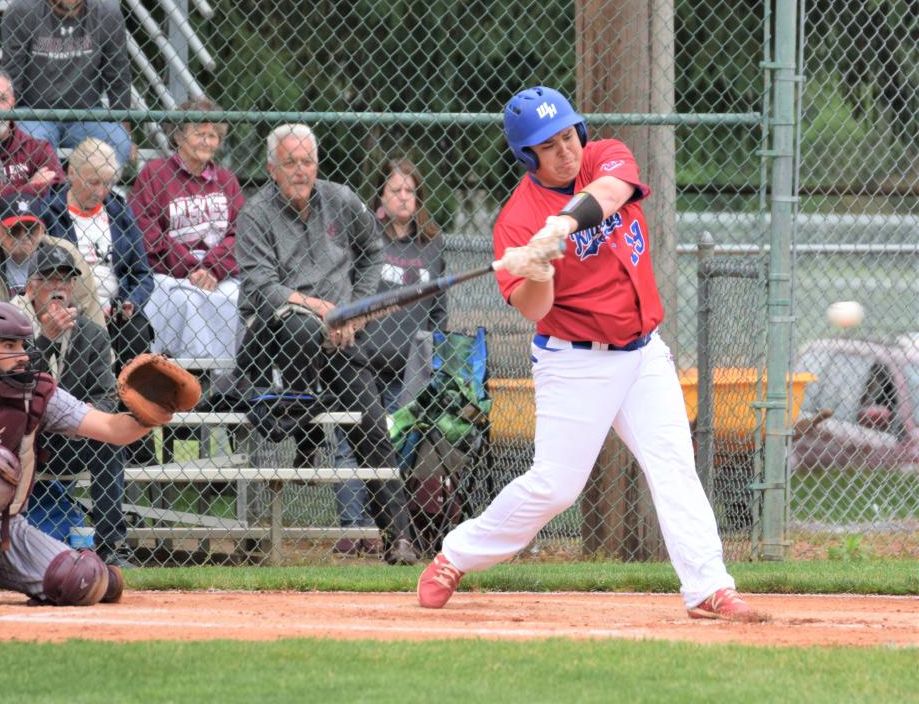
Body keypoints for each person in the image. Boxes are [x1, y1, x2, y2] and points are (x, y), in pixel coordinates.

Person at [417, 86, 761, 622]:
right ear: (526, 156)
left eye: (567, 135)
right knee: (555, 487)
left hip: (644, 354)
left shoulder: (602, 156)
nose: (565, 150)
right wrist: (539, 269)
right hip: (575, 361)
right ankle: (455, 555)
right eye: (547, 146)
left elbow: (613, 189)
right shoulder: (516, 221)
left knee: (673, 465)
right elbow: (534, 309)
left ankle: (709, 587)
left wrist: (564, 223)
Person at [234, 123, 418, 565]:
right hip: (279, 335)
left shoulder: (339, 198)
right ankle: (307, 426)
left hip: (341, 335)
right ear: (271, 168)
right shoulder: (256, 213)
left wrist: (352, 308)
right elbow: (262, 287)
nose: (301, 171)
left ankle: (400, 537)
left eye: (307, 161)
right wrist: (321, 309)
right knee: (299, 328)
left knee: (373, 422)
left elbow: (374, 249)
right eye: (290, 162)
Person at [0, 300, 159, 605]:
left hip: (0, 534)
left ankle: (102, 577)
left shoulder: (34, 395)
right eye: (8, 345)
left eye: (22, 345)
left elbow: (112, 429)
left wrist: (155, 410)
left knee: (78, 581)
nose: (23, 356)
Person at [331, 157, 447, 556]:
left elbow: (439, 306)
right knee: (352, 445)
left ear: (419, 197)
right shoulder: (366, 238)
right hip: (362, 358)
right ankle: (353, 530)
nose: (403, 197)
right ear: (380, 195)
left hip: (408, 364)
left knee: (398, 444)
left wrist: (434, 345)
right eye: (395, 189)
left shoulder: (432, 243)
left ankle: (391, 531)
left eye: (410, 191)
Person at [11, 245, 134, 567]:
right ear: (31, 287)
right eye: (50, 279)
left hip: (73, 437)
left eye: (66, 280)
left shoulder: (91, 333)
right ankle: (6, 541)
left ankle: (112, 546)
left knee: (108, 442)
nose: (60, 288)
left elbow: (108, 395)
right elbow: (14, 384)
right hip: (26, 434)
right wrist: (46, 341)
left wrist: (83, 418)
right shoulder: (14, 327)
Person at [129, 98, 243, 363]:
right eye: (199, 133)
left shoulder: (226, 180)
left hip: (218, 272)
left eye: (213, 135)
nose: (206, 141)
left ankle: (227, 382)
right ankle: (188, 375)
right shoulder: (154, 174)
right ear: (179, 136)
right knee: (185, 301)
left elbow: (241, 233)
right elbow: (147, 232)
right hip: (170, 271)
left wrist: (213, 268)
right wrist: (191, 267)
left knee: (236, 299)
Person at [33, 138, 154, 372]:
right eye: (93, 182)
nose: (101, 191)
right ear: (71, 174)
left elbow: (142, 273)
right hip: (72, 308)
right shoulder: (50, 213)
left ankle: (127, 402)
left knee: (137, 328)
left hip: (116, 312)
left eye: (108, 183)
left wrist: (130, 302)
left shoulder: (120, 212)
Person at [0, 0, 134, 167]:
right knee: (28, 146)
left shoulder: (105, 13)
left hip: (87, 113)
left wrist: (124, 129)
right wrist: (5, 123)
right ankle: (48, 193)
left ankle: (82, 194)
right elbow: (11, 77)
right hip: (33, 112)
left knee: (119, 142)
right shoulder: (23, 11)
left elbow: (118, 75)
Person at [0, 193, 104, 330]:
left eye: (30, 229)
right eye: (14, 230)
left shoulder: (65, 252)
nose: (23, 236)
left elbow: (91, 311)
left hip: (54, 337)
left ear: (41, 231)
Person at [0, 67, 64, 241]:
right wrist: (31, 189)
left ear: (13, 102)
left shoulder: (37, 148)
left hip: (34, 243)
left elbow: (54, 199)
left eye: (2, 99)